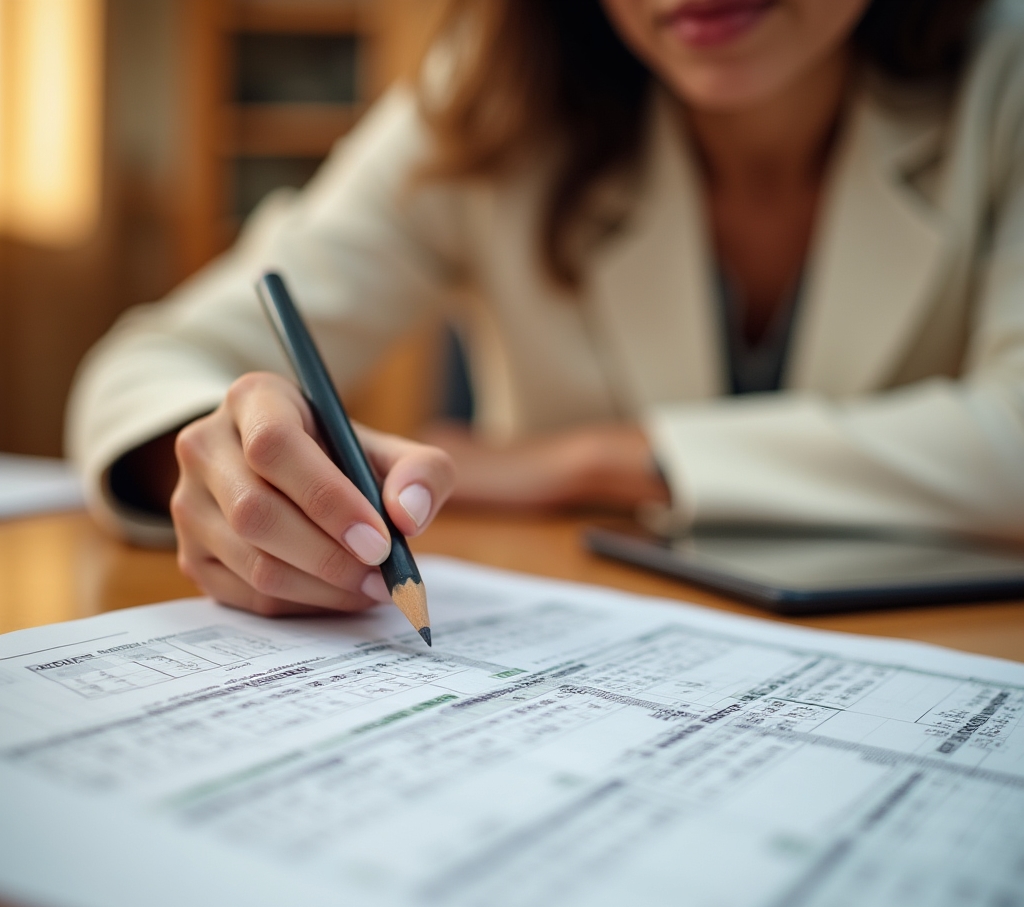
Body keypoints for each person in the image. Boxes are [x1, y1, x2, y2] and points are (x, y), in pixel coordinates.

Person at [67, 0, 1024, 618]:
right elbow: (150, 363)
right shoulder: (493, 99)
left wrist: (593, 462)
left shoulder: (1004, 77)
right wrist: (218, 465)